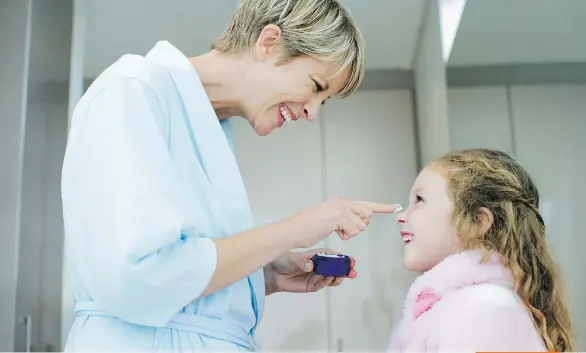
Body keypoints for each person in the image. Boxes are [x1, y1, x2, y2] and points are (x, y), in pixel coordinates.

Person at [60, 0, 401, 351]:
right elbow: (138, 276)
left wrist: (264, 274)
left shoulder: (211, 129)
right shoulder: (133, 89)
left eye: (323, 102)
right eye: (315, 87)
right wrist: (293, 230)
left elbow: (185, 269)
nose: (312, 113)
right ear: (268, 42)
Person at [387, 148, 575, 352]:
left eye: (419, 200)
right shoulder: (461, 308)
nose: (401, 216)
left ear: (478, 221)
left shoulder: (484, 309)